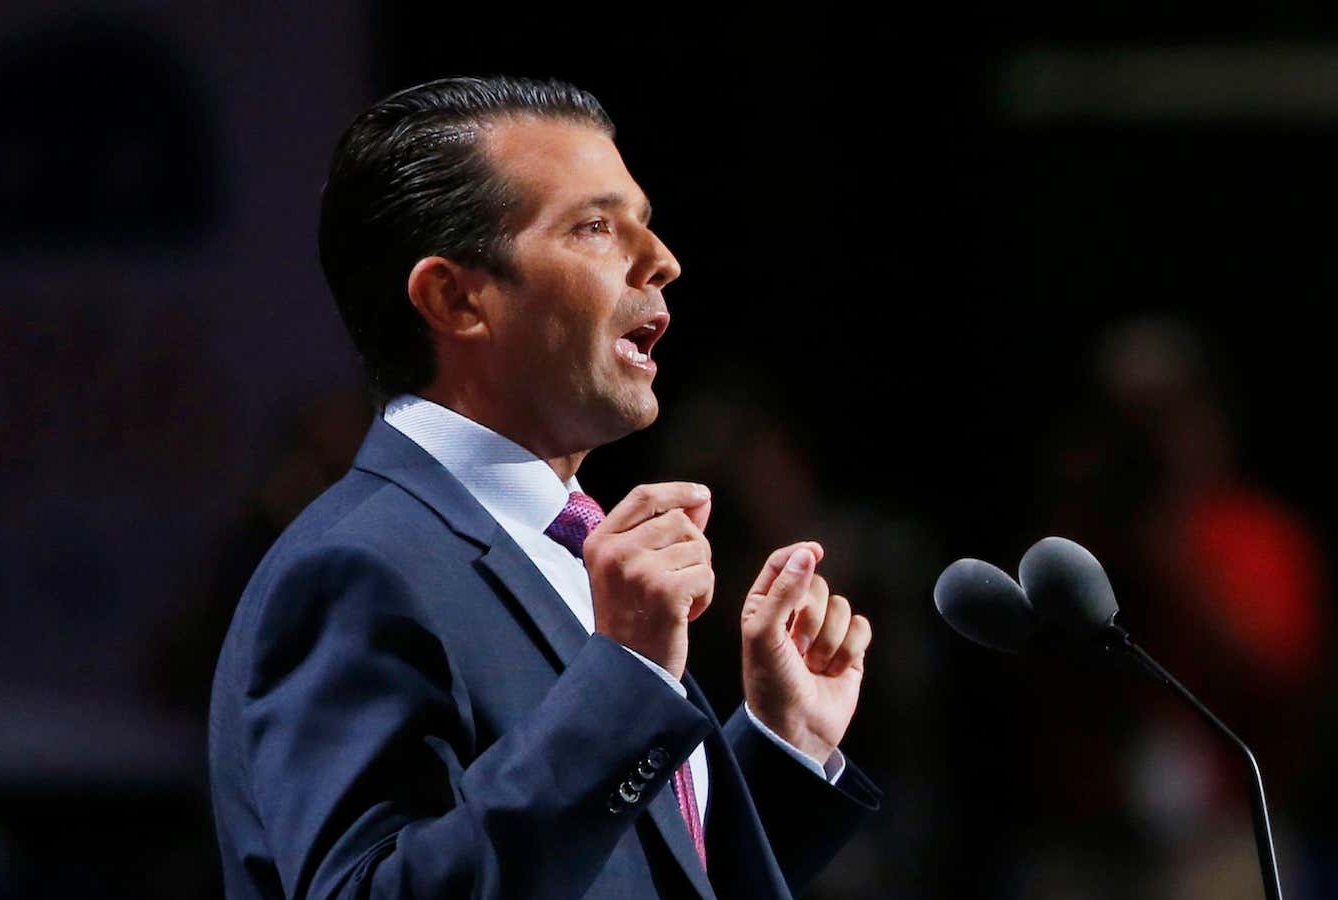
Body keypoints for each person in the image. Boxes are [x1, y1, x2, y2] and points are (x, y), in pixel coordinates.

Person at [208, 75, 881, 899]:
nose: (662, 259)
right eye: (596, 227)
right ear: (455, 298)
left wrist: (782, 748)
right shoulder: (356, 568)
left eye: (642, 218)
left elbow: (626, 868)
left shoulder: (571, 547)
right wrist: (628, 677)